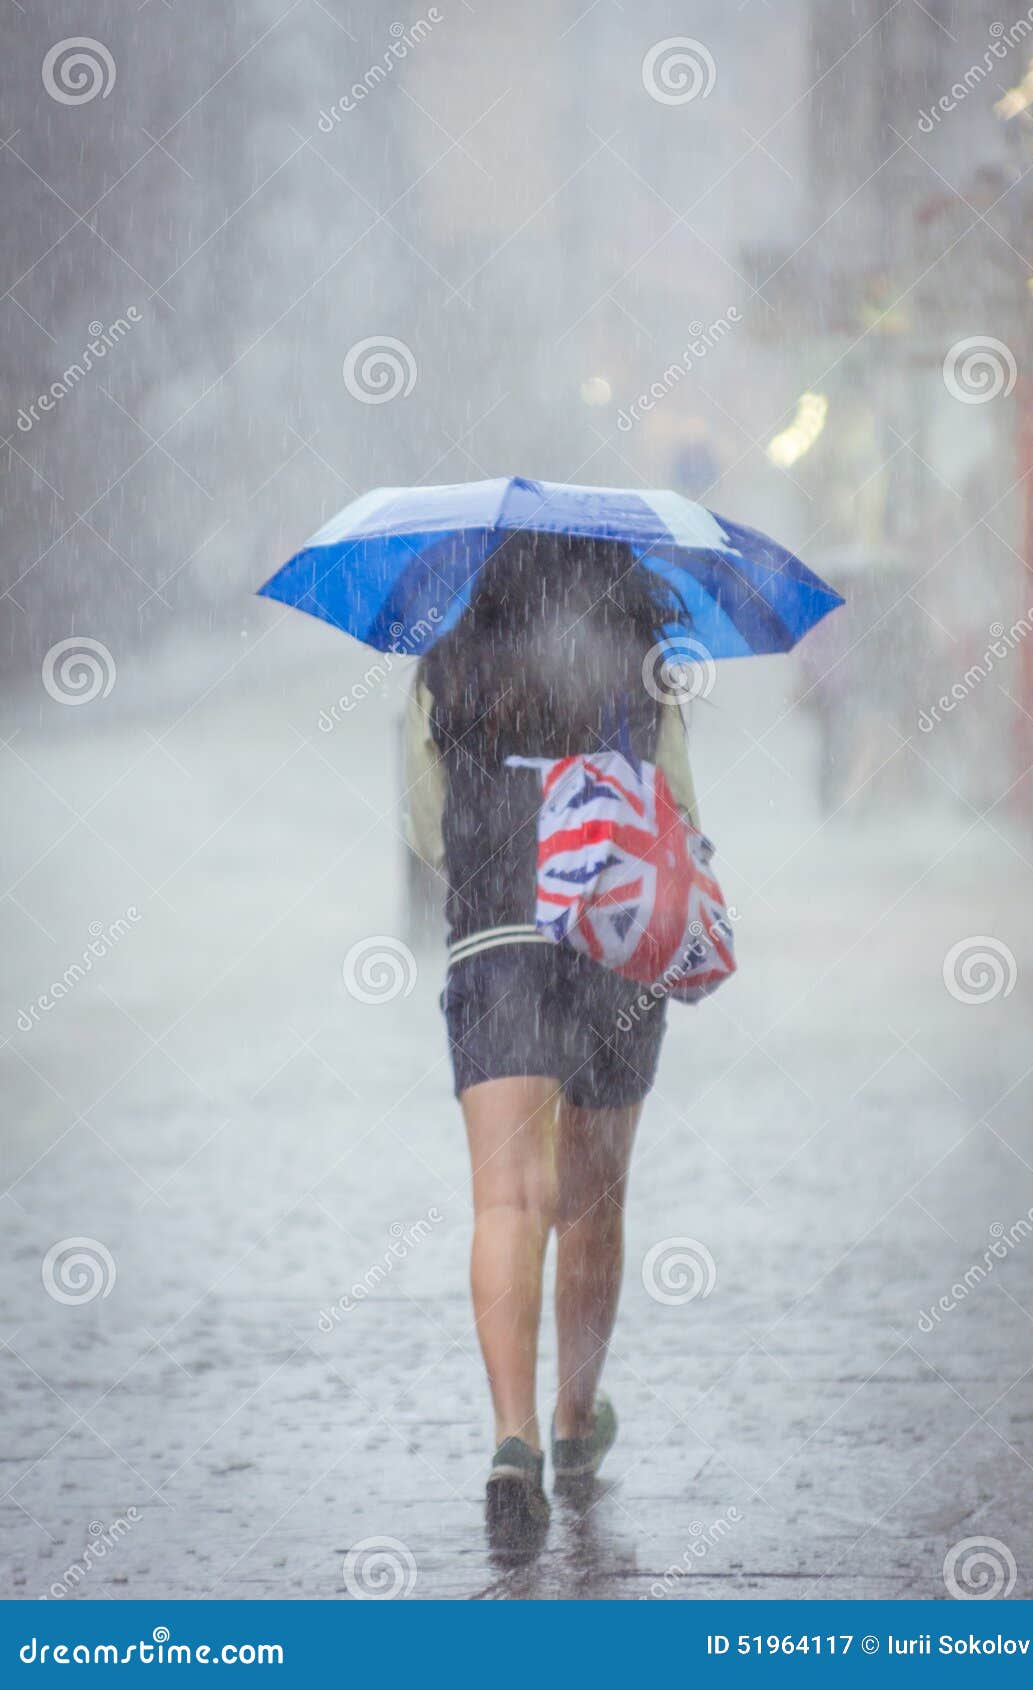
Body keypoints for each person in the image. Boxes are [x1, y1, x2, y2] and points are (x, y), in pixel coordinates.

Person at [403, 532, 700, 1540]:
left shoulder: (444, 662)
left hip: (495, 934)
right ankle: (578, 1422)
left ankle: (512, 1438)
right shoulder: (644, 666)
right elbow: (679, 812)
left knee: (508, 1197)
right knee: (592, 1201)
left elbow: (424, 823)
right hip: (611, 942)